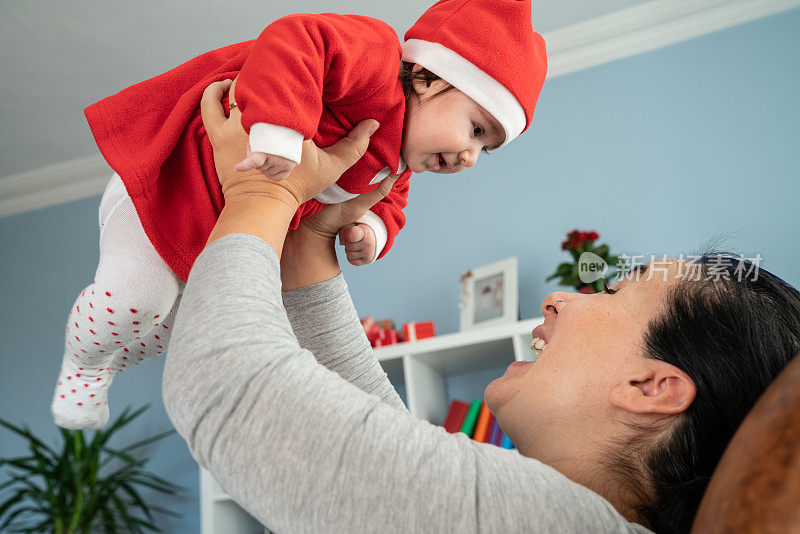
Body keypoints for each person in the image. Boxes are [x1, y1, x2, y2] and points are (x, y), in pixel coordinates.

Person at [161, 81, 800, 533]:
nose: (554, 302)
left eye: (610, 293)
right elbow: (374, 435)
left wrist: (257, 194)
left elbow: (224, 381)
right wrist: (310, 235)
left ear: (652, 386)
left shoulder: (549, 524)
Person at [52, 0, 548, 429]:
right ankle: (82, 366)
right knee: (136, 301)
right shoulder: (375, 59)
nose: (470, 157)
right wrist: (279, 130)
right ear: (431, 75)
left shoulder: (393, 169)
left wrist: (370, 230)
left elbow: (391, 206)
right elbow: (297, 39)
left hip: (205, 239)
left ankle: (105, 360)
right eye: (477, 129)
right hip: (164, 191)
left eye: (487, 149)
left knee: (166, 325)